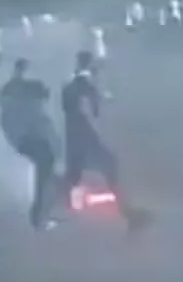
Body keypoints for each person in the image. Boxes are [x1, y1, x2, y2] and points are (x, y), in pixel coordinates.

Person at [60, 51, 148, 233]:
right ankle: (127, 213)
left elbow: (77, 104)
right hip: (83, 136)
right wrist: (102, 99)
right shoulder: (83, 84)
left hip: (74, 136)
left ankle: (70, 214)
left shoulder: (71, 82)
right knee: (108, 166)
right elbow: (93, 109)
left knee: (75, 175)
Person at [0, 58, 60, 231]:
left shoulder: (7, 87)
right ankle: (39, 216)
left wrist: (4, 125)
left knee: (46, 166)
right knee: (46, 166)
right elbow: (43, 102)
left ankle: (41, 211)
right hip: (31, 136)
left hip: (20, 137)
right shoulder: (32, 86)